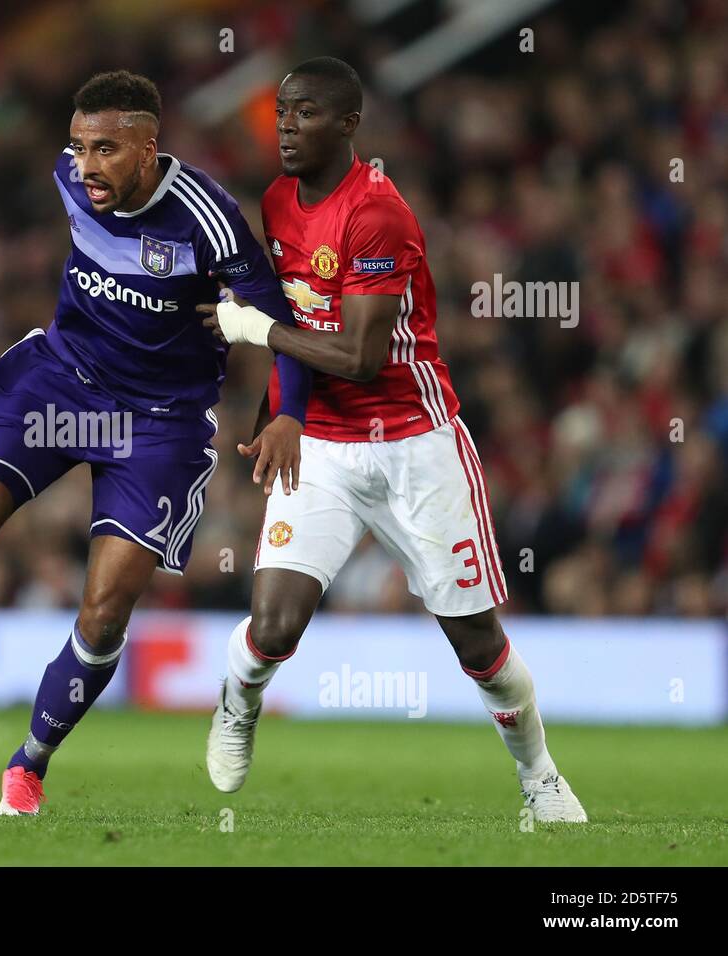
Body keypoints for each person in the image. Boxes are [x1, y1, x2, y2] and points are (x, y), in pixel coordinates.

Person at [0, 70, 311, 815]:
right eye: (79, 147)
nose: (86, 165)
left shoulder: (208, 217)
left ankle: (28, 766)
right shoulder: (68, 179)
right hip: (62, 378)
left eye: (106, 150)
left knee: (103, 611)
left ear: (148, 148)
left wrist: (286, 413)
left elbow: (278, 318)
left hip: (159, 420)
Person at [199, 57, 586, 823]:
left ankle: (540, 775)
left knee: (478, 646)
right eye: (281, 111)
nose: (285, 126)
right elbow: (303, 319)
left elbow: (360, 355)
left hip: (417, 443)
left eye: (305, 113)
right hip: (327, 450)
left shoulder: (376, 213)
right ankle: (238, 704)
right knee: (273, 626)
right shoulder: (277, 202)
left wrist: (253, 329)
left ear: (347, 125)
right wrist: (283, 411)